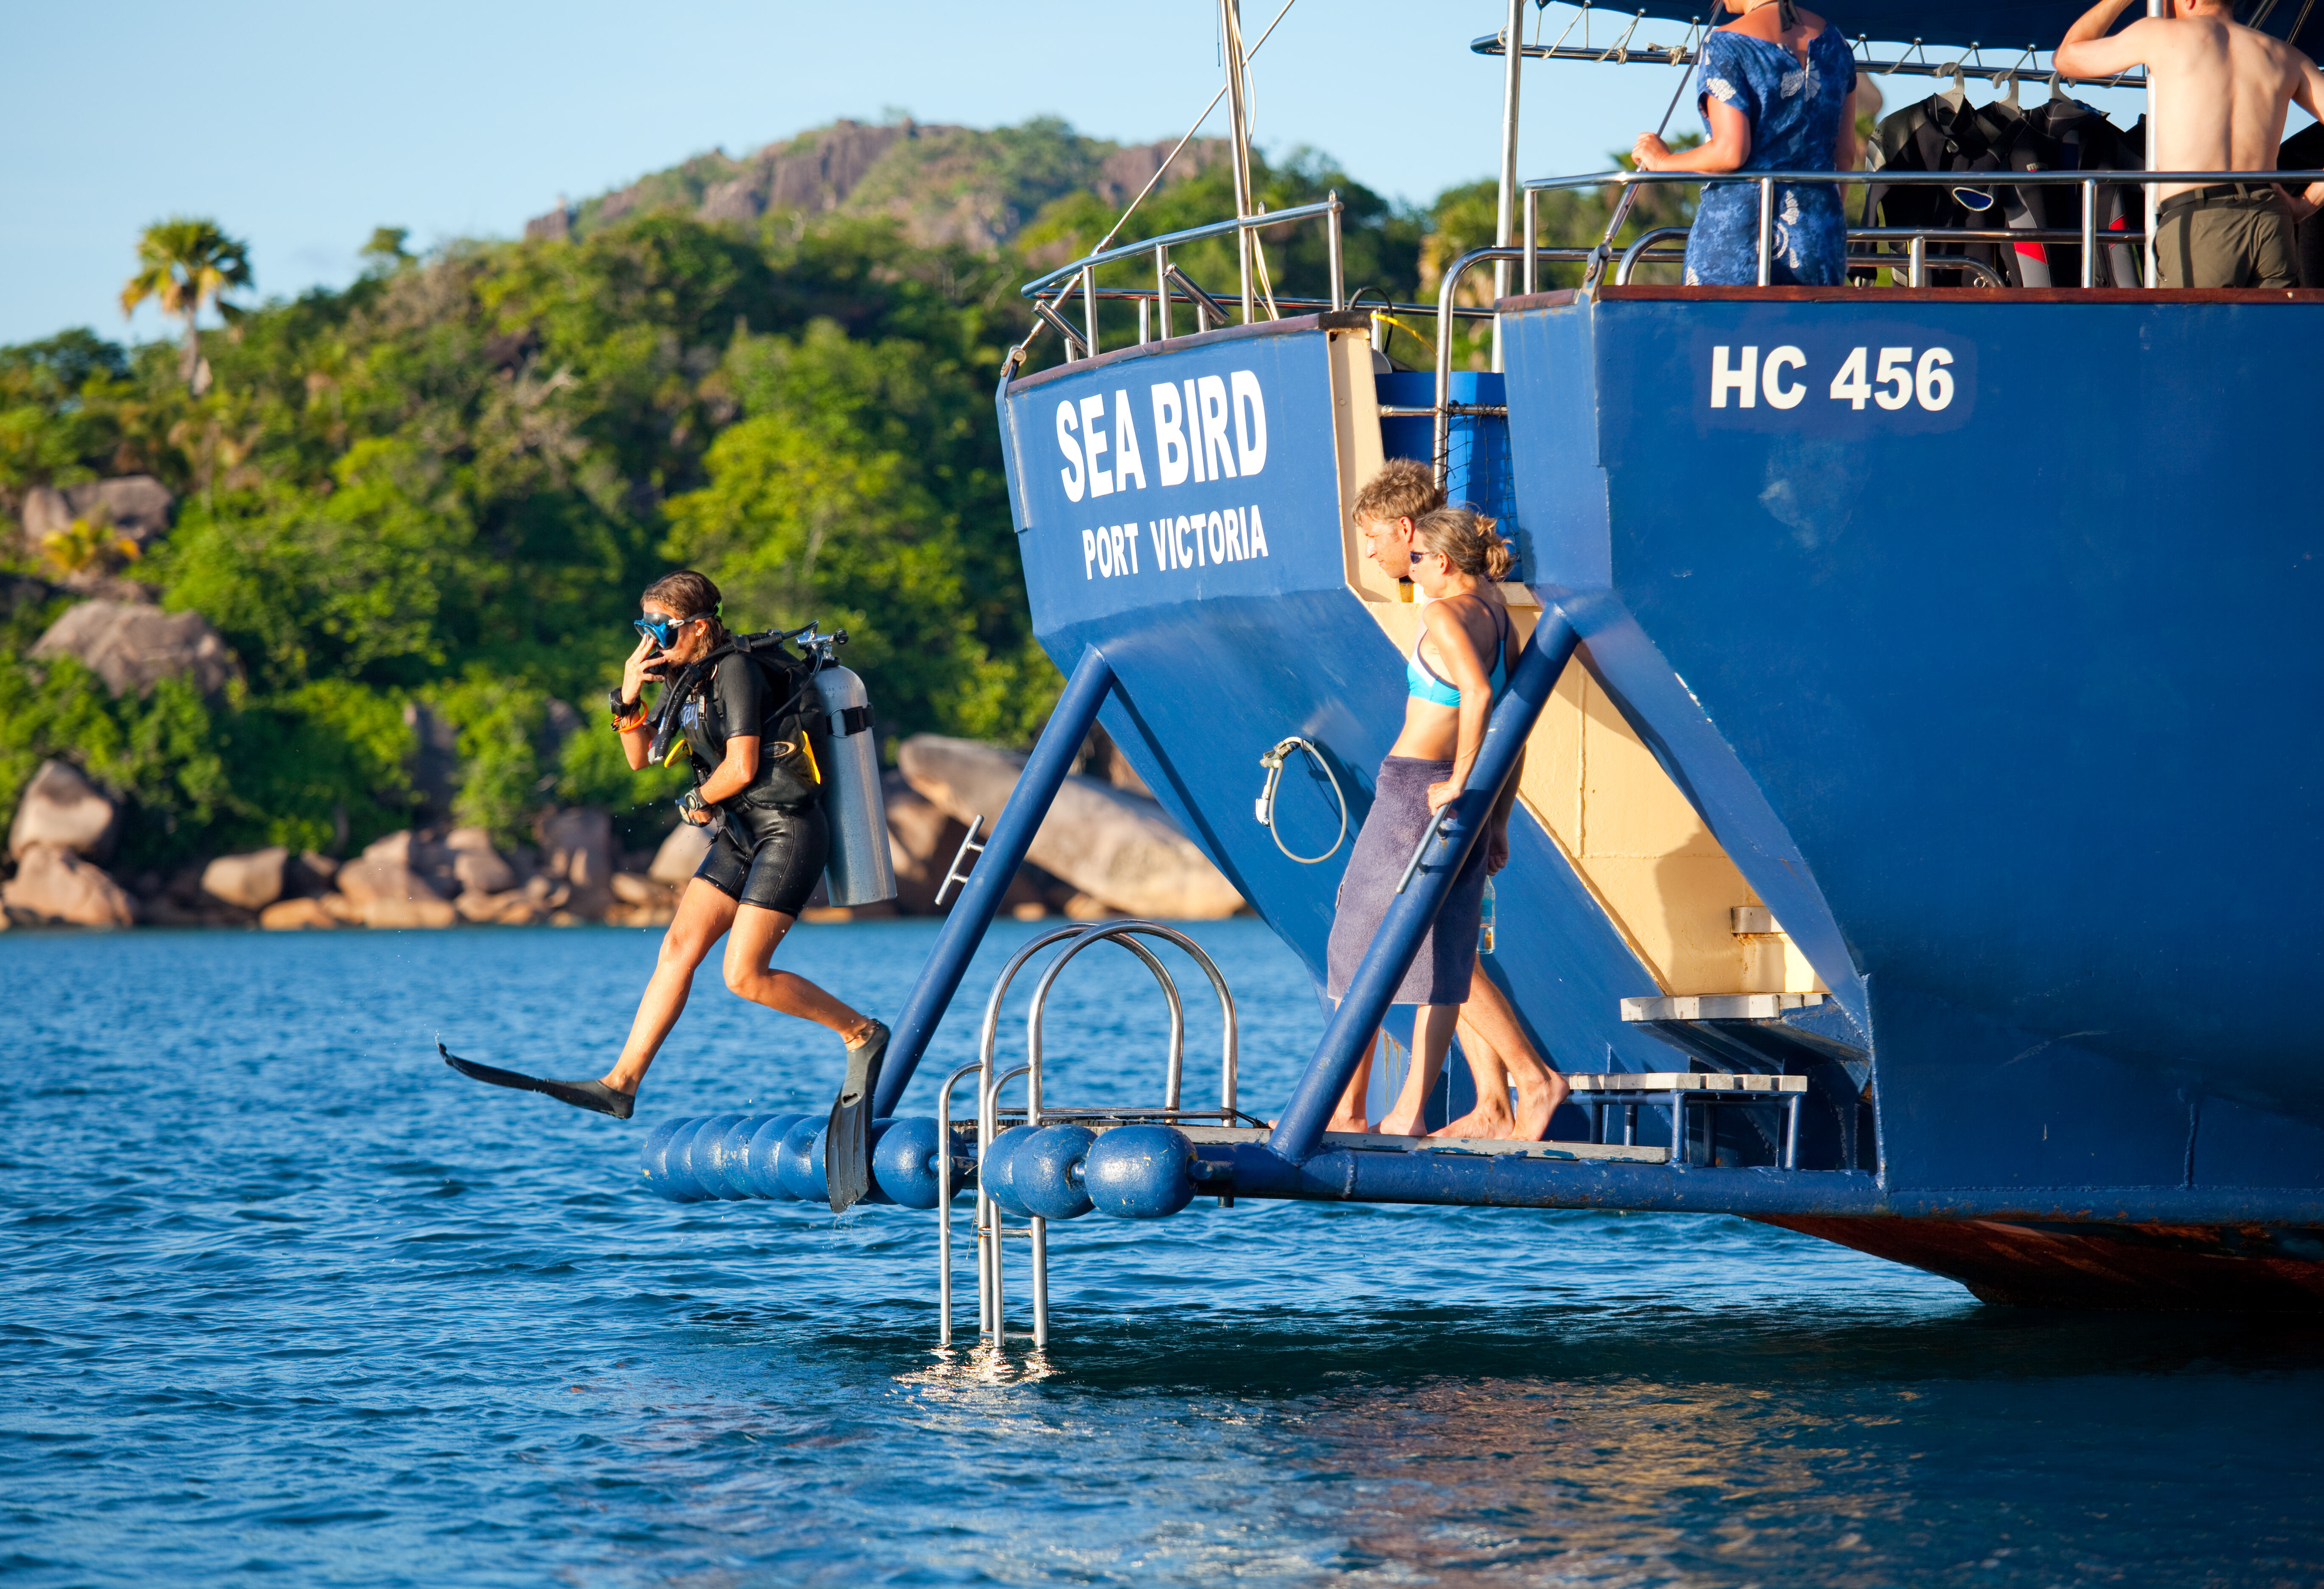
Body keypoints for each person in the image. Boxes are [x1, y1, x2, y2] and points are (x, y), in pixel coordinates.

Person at [447, 571, 886, 1120]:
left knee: (743, 976)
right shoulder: (690, 680)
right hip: (742, 832)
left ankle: (861, 1032)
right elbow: (637, 757)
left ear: (699, 626)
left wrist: (696, 796)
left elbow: (743, 765)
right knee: (677, 949)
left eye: (660, 627)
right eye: (643, 626)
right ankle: (621, 1084)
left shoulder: (735, 671)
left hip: (787, 830)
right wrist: (626, 692)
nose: (650, 639)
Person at [1324, 500, 1568, 1140]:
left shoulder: (1443, 611)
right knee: (1445, 949)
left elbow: (1479, 697)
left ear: (1440, 559)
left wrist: (1458, 782)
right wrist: (1496, 815)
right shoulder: (1498, 614)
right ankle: (1479, 1102)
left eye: (1415, 561)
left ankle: (1355, 1110)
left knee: (1358, 940)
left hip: (1417, 793)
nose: (1410, 572)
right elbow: (1512, 732)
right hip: (1461, 797)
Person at [2054, 0, 2324, 288]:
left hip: (2200, 219)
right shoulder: (2284, 55)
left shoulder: (2161, 35)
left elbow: (2067, 58)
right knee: (2273, 333)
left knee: (2189, 331)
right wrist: (2305, 204)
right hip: (2271, 219)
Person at [1633, 0, 1860, 287]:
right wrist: (1819, 221)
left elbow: (1730, 152)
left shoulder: (1726, 43)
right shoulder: (1836, 43)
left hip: (1738, 236)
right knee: (1809, 331)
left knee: (1722, 330)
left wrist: (1662, 162)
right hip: (1818, 234)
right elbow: (1845, 154)